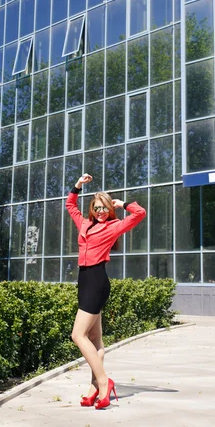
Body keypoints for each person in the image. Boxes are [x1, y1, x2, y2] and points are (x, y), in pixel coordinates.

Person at [66, 173, 146, 409]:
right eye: (97, 207)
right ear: (92, 209)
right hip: (84, 280)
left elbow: (140, 213)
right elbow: (70, 204)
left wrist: (123, 204)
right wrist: (78, 185)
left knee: (77, 335)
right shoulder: (84, 223)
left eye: (105, 208)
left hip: (97, 280)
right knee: (95, 340)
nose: (101, 211)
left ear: (109, 209)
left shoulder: (114, 226)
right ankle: (93, 389)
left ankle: (104, 382)